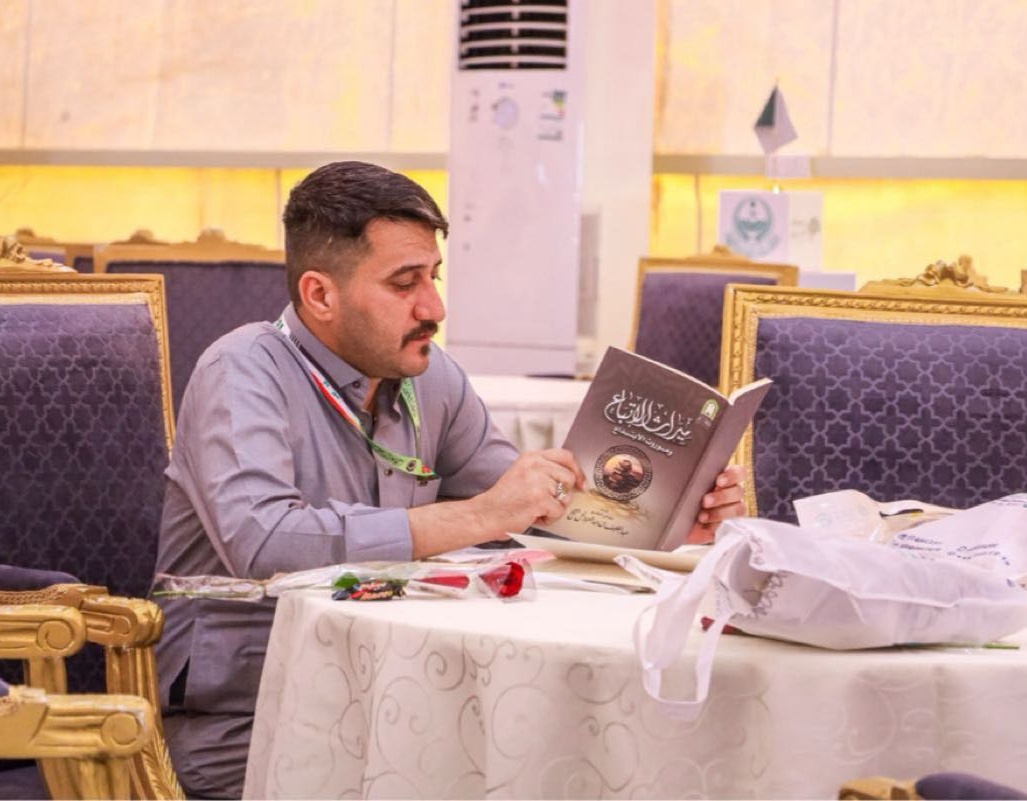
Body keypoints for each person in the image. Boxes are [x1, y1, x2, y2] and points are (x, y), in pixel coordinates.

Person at [153, 161, 748, 799]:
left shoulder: (430, 377)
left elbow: (534, 506)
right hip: (251, 714)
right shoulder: (242, 370)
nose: (433, 307)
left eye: (433, 277)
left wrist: (662, 516)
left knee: (573, 762)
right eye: (404, 283)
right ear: (320, 295)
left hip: (397, 692)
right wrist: (481, 515)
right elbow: (266, 541)